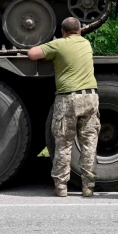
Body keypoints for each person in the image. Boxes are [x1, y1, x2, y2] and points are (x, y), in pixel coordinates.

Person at [27, 17, 100, 198]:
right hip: (91, 97)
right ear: (80, 31)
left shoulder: (59, 44)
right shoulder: (86, 44)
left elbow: (32, 54)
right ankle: (88, 187)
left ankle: (61, 187)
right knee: (89, 143)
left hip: (68, 98)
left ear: (62, 32)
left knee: (64, 143)